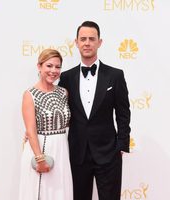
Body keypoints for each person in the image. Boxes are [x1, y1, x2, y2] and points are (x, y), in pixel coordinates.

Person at [58, 21, 131, 200]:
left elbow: (123, 113)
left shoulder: (115, 75)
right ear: (76, 43)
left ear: (100, 42)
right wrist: (35, 131)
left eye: (92, 39)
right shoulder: (66, 77)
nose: (87, 43)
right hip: (77, 152)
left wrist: (121, 145)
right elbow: (58, 111)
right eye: (83, 39)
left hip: (108, 153)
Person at [19, 49, 73, 200]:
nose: (53, 71)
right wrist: (40, 159)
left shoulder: (63, 93)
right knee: (40, 193)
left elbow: (66, 121)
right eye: (49, 66)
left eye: (57, 67)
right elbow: (30, 130)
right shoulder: (29, 94)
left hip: (61, 149)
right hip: (41, 150)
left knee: (60, 193)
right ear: (39, 66)